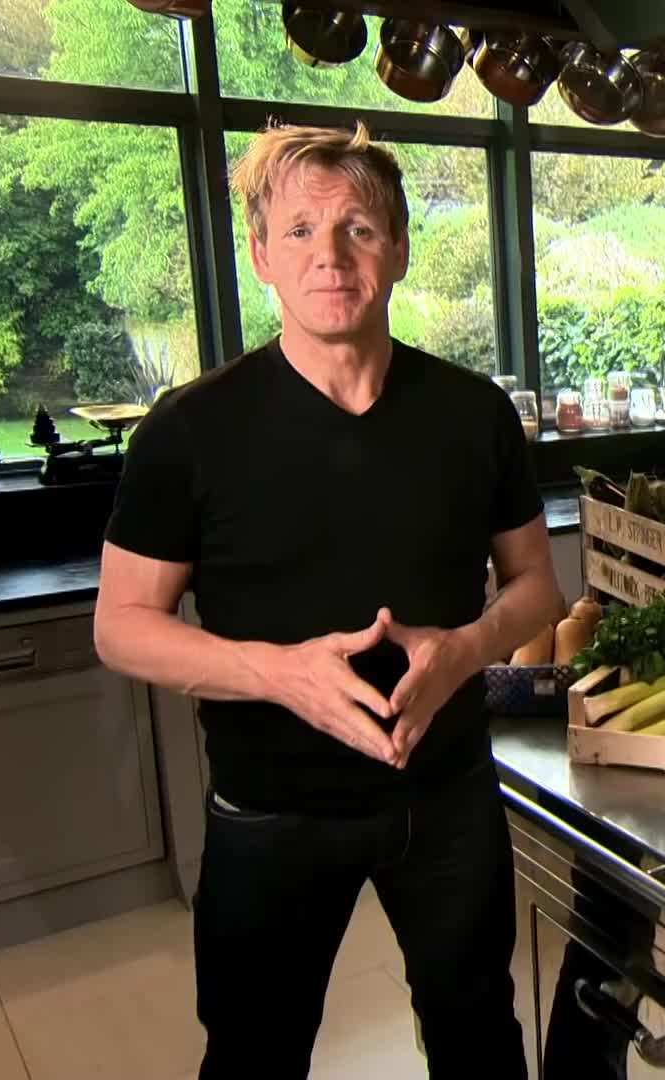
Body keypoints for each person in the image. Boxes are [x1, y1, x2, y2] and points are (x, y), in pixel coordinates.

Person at [92, 121, 562, 1079]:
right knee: (256, 1052)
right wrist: (277, 674)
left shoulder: (472, 415)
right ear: (261, 256)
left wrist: (467, 649)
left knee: (479, 1033)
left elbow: (537, 591)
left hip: (449, 796)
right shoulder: (191, 431)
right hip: (271, 809)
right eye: (299, 231)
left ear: (396, 246)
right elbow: (121, 627)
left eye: (357, 227)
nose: (331, 256)